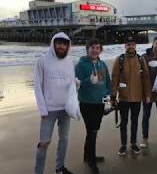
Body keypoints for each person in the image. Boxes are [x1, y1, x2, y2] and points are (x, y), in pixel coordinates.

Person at [34, 32, 74, 174]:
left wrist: (77, 84)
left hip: (66, 108)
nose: (61, 46)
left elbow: (71, 85)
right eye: (59, 43)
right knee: (44, 143)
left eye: (64, 44)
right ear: (53, 44)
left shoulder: (69, 62)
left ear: (68, 45)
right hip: (48, 110)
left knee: (64, 138)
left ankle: (60, 167)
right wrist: (42, 109)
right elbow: (37, 86)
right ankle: (38, 172)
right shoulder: (42, 61)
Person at [75, 38, 111, 173]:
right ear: (87, 49)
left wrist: (108, 100)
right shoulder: (80, 65)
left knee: (93, 131)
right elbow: (76, 85)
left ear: (100, 50)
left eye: (97, 47)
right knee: (92, 132)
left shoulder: (102, 65)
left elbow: (108, 83)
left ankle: (87, 156)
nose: (95, 50)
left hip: (100, 103)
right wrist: (88, 81)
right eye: (92, 47)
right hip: (87, 103)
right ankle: (91, 160)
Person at [111, 36, 151, 156]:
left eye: (133, 44)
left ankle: (133, 143)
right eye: (128, 45)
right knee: (124, 122)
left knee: (134, 121)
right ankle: (123, 145)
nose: (131, 47)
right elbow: (114, 78)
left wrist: (147, 95)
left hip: (137, 97)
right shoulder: (120, 59)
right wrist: (113, 96)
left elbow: (146, 78)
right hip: (123, 97)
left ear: (135, 46)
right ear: (125, 46)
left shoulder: (140, 59)